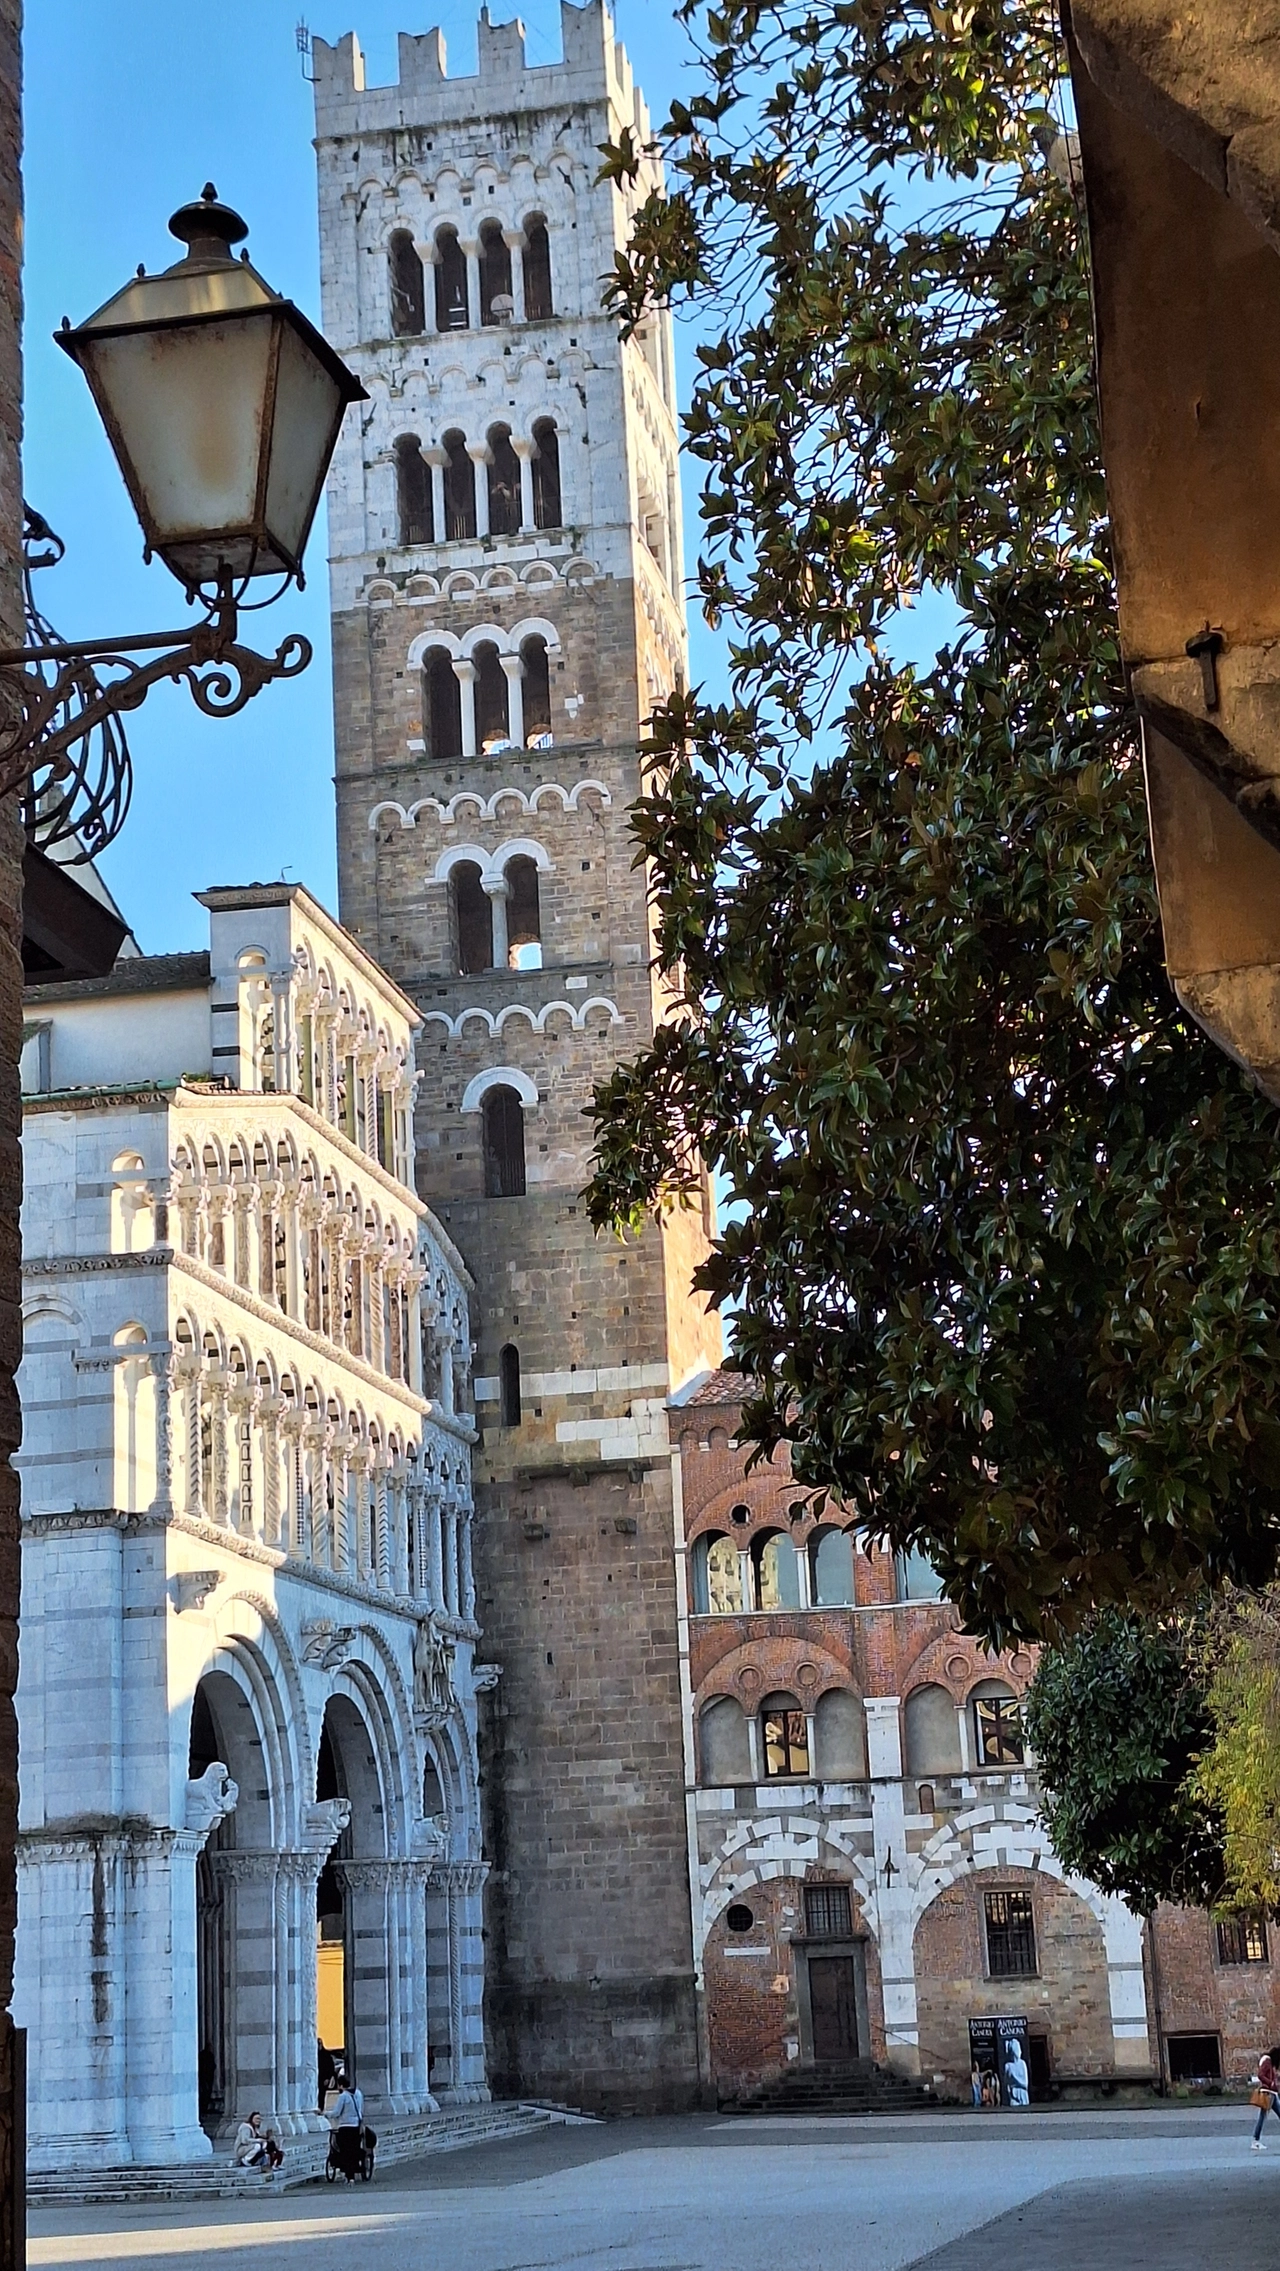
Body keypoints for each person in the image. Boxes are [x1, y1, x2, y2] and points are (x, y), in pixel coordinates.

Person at [328, 2069, 365, 2182]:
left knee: (344, 2151)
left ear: (340, 2085)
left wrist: (325, 2114)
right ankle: (353, 2173)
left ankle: (348, 2175)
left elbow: (337, 2112)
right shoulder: (358, 2093)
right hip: (356, 2127)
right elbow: (361, 2109)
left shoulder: (343, 2096)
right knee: (354, 2149)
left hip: (345, 2127)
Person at [1250, 2048, 1280, 2148]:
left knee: (1264, 2117)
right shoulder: (1267, 2061)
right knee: (1262, 2117)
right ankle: (1255, 2140)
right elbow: (1260, 2075)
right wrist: (1270, 2083)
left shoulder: (1268, 2061)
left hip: (1272, 2094)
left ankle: (1255, 2140)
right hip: (1268, 2093)